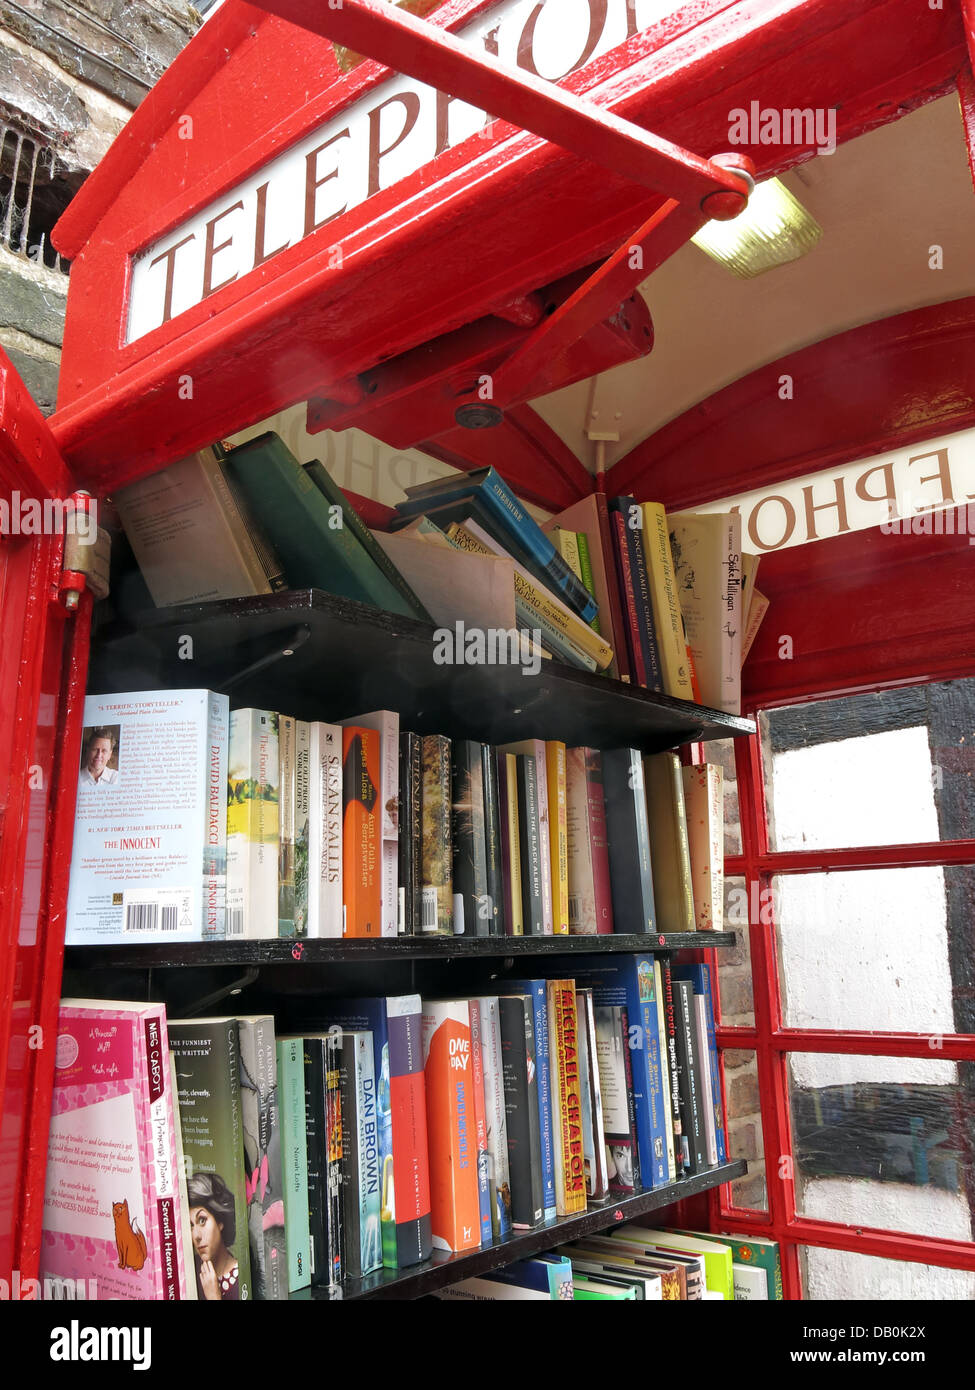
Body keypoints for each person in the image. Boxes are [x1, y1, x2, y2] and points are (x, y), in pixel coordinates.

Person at [187, 1172, 241, 1301]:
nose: (196, 1236)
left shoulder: (243, 1277)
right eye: (190, 1225)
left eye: (202, 1220)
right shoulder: (189, 1269)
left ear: (220, 1221)